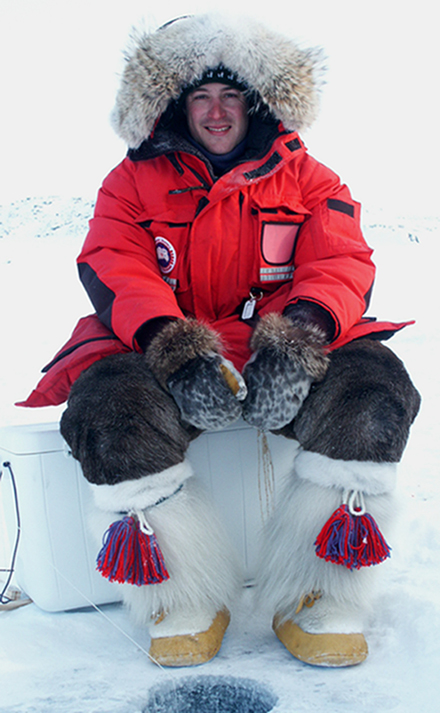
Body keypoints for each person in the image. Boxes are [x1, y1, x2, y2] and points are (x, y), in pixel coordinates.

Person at [20, 14, 420, 668]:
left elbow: (342, 263)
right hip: (168, 352)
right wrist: (174, 352)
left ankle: (322, 592)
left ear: (255, 102)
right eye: (199, 96)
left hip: (276, 351)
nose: (215, 111)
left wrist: (297, 343)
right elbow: (113, 262)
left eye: (230, 95)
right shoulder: (130, 182)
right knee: (109, 410)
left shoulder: (313, 180)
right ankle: (184, 597)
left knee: (373, 394)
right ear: (175, 105)